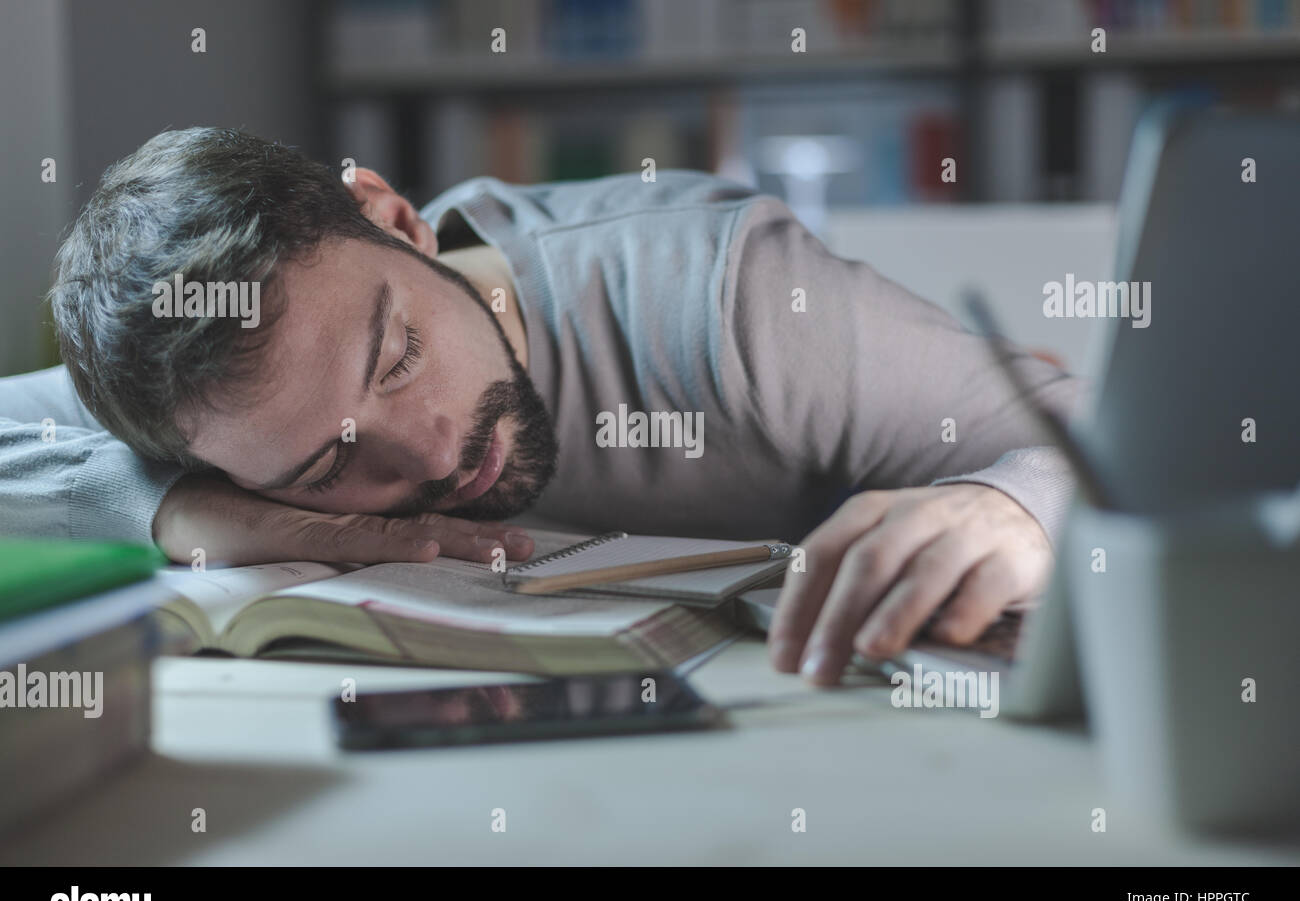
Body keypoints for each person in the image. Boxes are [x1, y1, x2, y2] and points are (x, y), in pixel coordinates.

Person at [0, 127, 1080, 685]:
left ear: (397, 220)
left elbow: (1078, 431)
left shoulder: (730, 298)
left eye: (400, 354)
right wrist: (180, 509)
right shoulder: (203, 405)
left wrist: (1009, 506)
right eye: (328, 463)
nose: (428, 452)